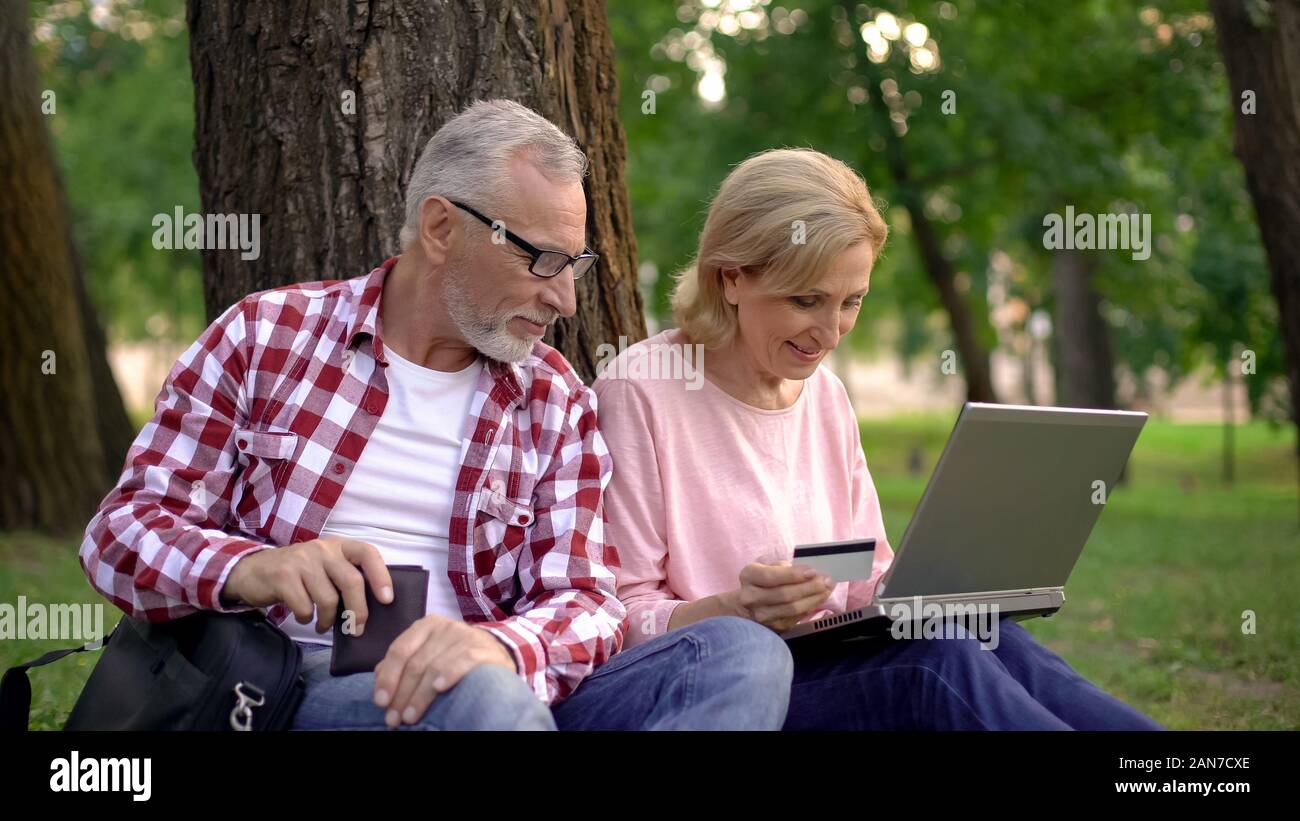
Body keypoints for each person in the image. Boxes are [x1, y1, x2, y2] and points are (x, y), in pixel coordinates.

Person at [81, 100, 791, 731]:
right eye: (543, 260)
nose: (566, 300)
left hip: (510, 682)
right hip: (299, 690)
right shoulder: (266, 336)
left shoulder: (552, 396)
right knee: (481, 702)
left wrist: (498, 646)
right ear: (443, 227)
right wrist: (253, 567)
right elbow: (119, 536)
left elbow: (587, 599)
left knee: (741, 654)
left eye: (575, 265)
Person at [593, 147, 1162, 730]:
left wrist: (945, 581)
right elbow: (617, 618)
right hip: (737, 689)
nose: (830, 331)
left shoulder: (827, 399)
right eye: (805, 299)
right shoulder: (642, 392)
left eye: (851, 301)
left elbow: (862, 572)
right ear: (731, 278)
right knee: (933, 661)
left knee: (987, 636)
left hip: (834, 657)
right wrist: (733, 611)